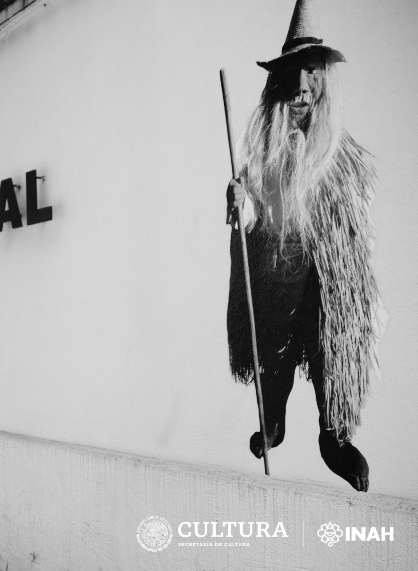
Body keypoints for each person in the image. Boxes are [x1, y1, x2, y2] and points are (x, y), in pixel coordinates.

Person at [225, 0, 381, 492]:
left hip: (327, 278)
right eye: (293, 73)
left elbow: (355, 223)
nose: (301, 86)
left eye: (311, 73)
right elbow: (253, 210)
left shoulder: (340, 154)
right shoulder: (265, 155)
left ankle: (334, 438)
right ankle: (273, 420)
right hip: (280, 271)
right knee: (273, 337)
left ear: (323, 80)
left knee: (327, 346)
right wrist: (240, 199)